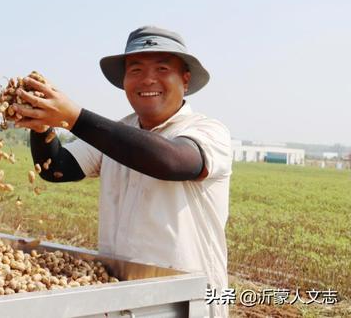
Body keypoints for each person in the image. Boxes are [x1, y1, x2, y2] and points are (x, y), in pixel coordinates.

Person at [13, 26, 232, 317]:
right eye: (136, 69)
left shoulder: (208, 132)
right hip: (121, 298)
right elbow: (57, 168)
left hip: (186, 303)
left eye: (162, 68)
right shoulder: (118, 133)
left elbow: (170, 161)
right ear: (125, 81)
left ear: (186, 79)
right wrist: (42, 127)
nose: (148, 79)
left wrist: (74, 117)